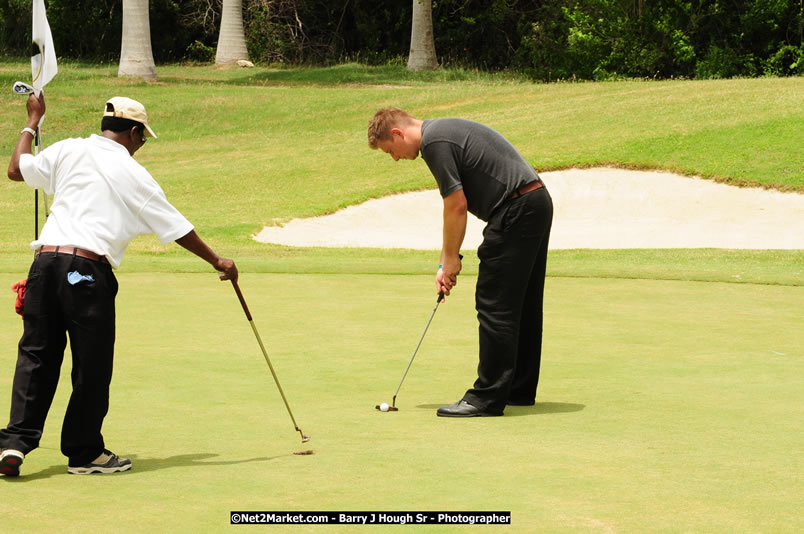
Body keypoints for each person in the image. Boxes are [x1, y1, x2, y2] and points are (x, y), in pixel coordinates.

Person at [0, 94, 238, 476]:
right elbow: (177, 228)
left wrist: (32, 120)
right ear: (132, 132)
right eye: (142, 139)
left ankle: (13, 444)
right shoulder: (133, 173)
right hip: (86, 271)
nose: (140, 147)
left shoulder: (67, 150)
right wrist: (218, 260)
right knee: (91, 367)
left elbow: (15, 169)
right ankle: (83, 452)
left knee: (36, 356)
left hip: (44, 264)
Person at [368, 108, 553, 417]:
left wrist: (450, 260)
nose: (395, 159)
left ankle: (487, 397)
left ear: (398, 134)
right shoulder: (443, 132)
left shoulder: (434, 143)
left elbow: (456, 206)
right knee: (522, 304)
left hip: (516, 209)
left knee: (495, 303)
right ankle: (517, 389)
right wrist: (446, 260)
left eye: (391, 151)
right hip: (534, 201)